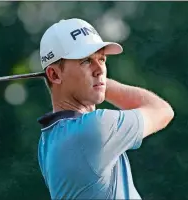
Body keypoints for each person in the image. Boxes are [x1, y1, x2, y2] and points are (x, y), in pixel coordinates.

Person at [36, 18, 174, 200]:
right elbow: (162, 110)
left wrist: (92, 80)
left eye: (101, 59)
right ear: (54, 74)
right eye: (85, 61)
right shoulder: (95, 128)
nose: (100, 69)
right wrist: (101, 83)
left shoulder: (47, 140)